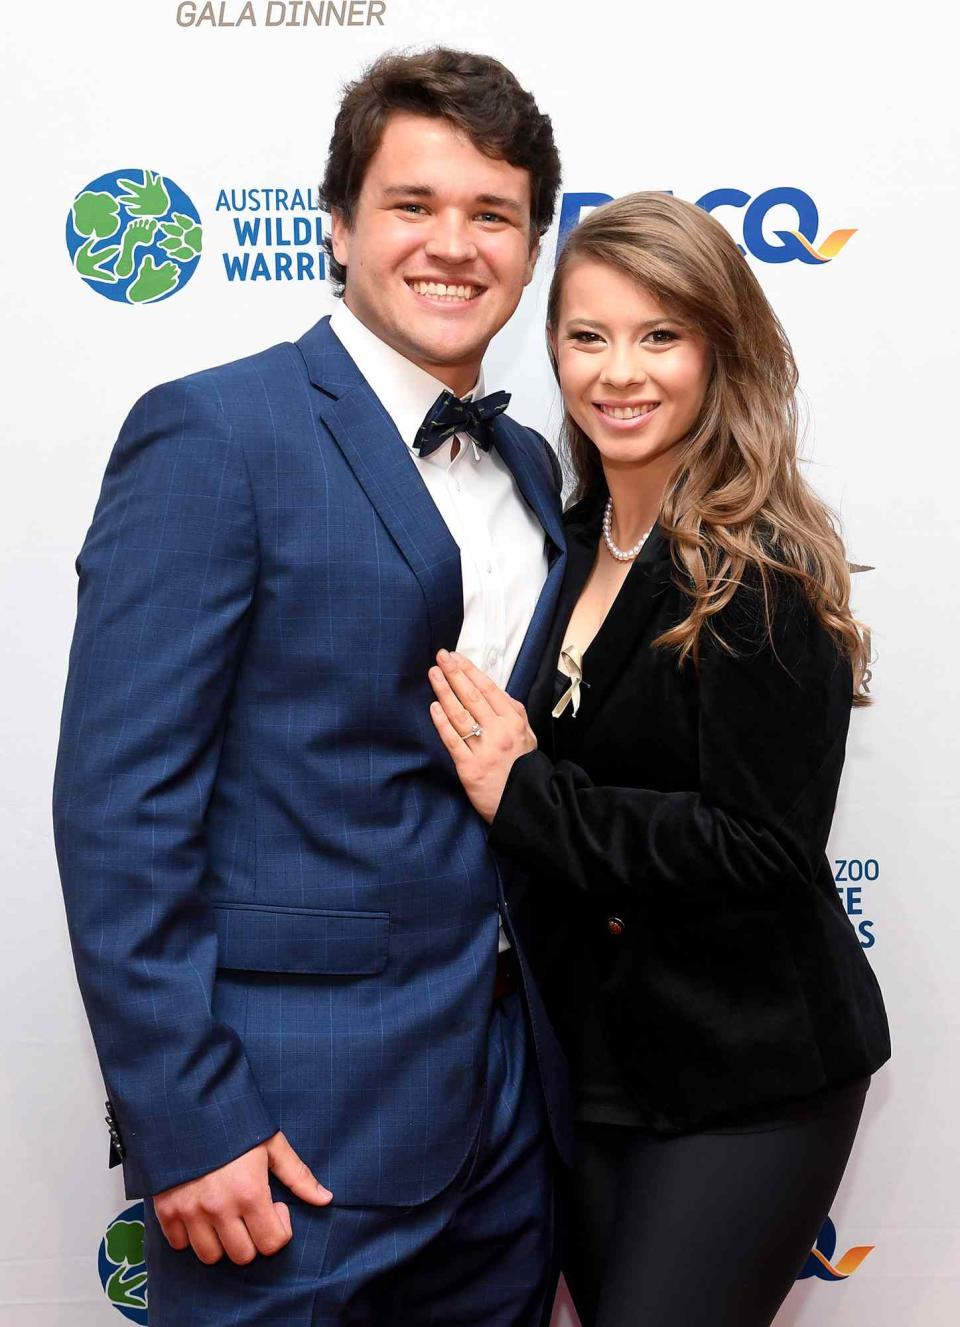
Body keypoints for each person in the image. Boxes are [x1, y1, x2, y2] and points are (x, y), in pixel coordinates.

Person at [53, 47, 573, 1326]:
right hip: (285, 1134)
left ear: (532, 245)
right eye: (414, 205)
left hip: (510, 1121)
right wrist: (186, 1115)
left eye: (493, 215)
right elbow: (122, 808)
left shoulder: (534, 465)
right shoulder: (216, 434)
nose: (454, 246)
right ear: (337, 228)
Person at [428, 191, 891, 1327]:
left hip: (749, 1072)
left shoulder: (759, 567)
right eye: (587, 336)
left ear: (716, 352)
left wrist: (524, 793)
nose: (618, 373)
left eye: (659, 335)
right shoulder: (566, 543)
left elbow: (760, 845)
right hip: (592, 1069)